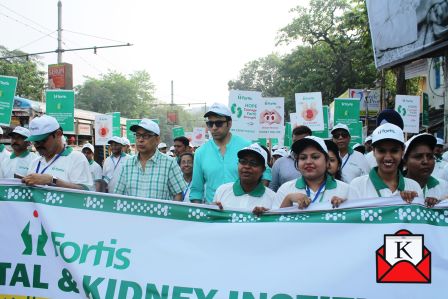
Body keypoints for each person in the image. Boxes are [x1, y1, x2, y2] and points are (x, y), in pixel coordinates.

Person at [189, 103, 271, 203]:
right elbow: (196, 190)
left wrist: (257, 200)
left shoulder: (246, 146)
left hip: (244, 211)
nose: (214, 128)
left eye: (219, 123)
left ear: (230, 123)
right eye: (210, 124)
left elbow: (265, 174)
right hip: (214, 213)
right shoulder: (200, 152)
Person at [348, 123, 423, 202]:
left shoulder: (414, 187)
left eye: (394, 151)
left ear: (402, 151)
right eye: (381, 151)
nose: (388, 157)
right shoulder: (357, 186)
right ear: (373, 151)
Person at [114, 119, 186, 200]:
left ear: (157, 139)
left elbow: (178, 195)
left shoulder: (169, 164)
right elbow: (118, 195)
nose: (140, 140)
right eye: (138, 135)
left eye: (146, 136)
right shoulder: (128, 164)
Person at [274, 136, 350, 210]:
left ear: (327, 162)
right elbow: (274, 221)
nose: (308, 162)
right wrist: (288, 200)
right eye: (303, 158)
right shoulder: (286, 189)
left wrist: (346, 207)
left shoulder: (345, 190)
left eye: (315, 157)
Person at [23, 115, 93, 190]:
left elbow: (85, 191)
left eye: (42, 140)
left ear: (58, 134)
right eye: (35, 141)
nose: (38, 145)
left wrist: (53, 180)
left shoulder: (77, 159)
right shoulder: (35, 162)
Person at [213, 143, 275, 213]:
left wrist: (267, 217)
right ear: (238, 164)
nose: (247, 166)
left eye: (253, 163)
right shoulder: (222, 191)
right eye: (243, 162)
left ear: (263, 169)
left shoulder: (273, 198)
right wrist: (211, 212)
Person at [404, 134, 448, 207]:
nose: (426, 161)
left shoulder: (443, 187)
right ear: (405, 161)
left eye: (430, 156)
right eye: (418, 157)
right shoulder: (395, 187)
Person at [269, 125, 312, 191]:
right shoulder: (279, 163)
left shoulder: (317, 163)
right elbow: (272, 189)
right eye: (295, 141)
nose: (298, 144)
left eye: (302, 141)